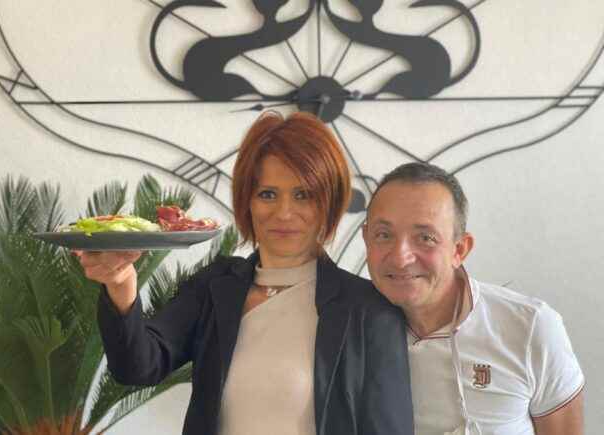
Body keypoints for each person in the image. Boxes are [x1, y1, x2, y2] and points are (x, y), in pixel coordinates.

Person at [78, 111, 414, 435]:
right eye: (268, 194)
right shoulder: (215, 286)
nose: (284, 212)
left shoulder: (369, 310)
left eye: (303, 195)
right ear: (247, 201)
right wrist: (121, 286)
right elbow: (137, 367)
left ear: (329, 202)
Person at [362, 162, 585, 435]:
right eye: (383, 235)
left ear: (459, 249)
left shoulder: (531, 328)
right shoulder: (347, 329)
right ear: (366, 240)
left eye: (425, 238)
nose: (400, 257)